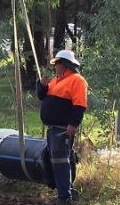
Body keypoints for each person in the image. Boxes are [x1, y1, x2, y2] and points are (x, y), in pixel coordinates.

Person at [37, 50, 88, 205]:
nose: (55, 66)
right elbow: (41, 97)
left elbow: (80, 105)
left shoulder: (77, 80)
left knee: (61, 163)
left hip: (62, 130)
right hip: (53, 129)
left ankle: (64, 198)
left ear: (65, 65)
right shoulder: (56, 80)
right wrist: (42, 86)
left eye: (57, 63)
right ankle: (66, 192)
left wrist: (72, 125)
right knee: (59, 161)